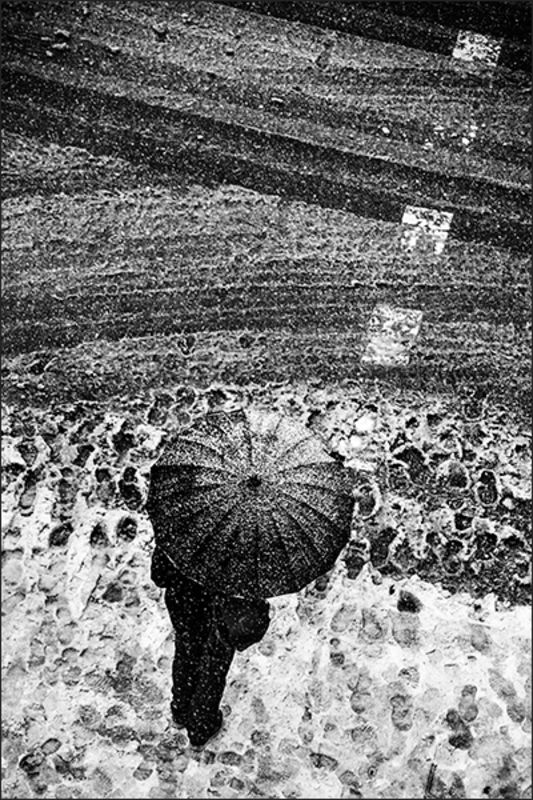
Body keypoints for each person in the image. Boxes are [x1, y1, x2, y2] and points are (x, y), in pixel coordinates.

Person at [151, 545, 271, 748]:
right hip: (223, 614)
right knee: (213, 668)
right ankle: (201, 726)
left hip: (184, 602)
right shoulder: (248, 542)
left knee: (186, 652)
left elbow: (159, 575)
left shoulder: (181, 531)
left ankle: (181, 708)